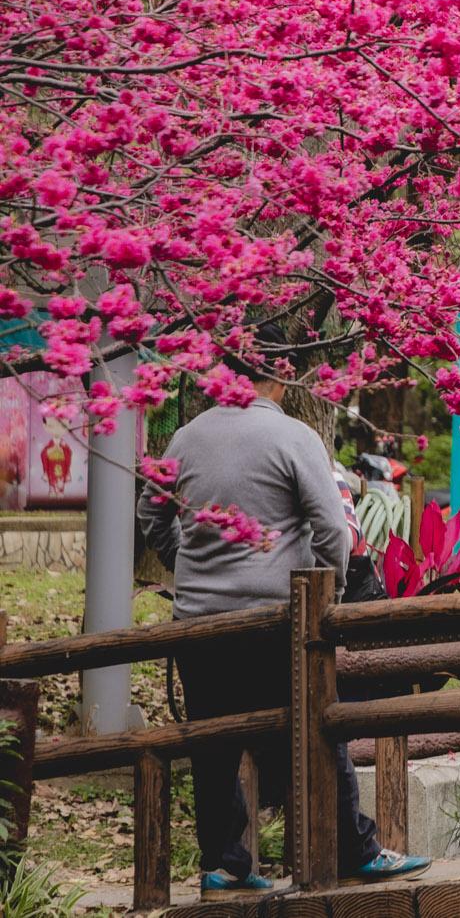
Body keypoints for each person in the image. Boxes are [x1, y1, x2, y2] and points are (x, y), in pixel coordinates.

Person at [137, 369, 431, 892]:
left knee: (212, 743)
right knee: (317, 729)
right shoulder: (295, 437)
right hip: (274, 620)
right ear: (279, 379)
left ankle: (224, 864)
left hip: (198, 622)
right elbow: (332, 527)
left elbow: (151, 511)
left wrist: (183, 561)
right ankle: (353, 850)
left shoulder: (185, 437)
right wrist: (330, 592)